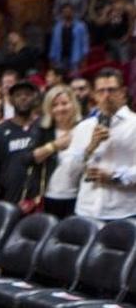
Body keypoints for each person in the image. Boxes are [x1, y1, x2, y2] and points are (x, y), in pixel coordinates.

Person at [67, 68, 136, 219]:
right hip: (86, 209)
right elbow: (70, 172)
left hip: (123, 212)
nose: (106, 95)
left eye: (112, 90)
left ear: (123, 92)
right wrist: (90, 147)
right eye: (101, 91)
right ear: (94, 95)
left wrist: (114, 176)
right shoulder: (84, 127)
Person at [0, 81, 43, 210]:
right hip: (9, 200)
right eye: (18, 95)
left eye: (27, 94)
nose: (23, 97)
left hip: (40, 201)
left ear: (35, 99)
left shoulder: (45, 128)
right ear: (11, 101)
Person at [31, 84, 82, 219]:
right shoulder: (43, 129)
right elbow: (30, 157)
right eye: (54, 105)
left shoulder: (84, 128)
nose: (60, 108)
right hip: (48, 197)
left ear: (73, 104)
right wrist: (55, 145)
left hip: (78, 198)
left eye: (64, 103)